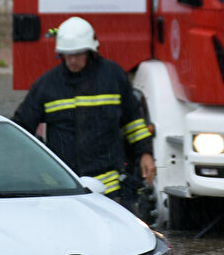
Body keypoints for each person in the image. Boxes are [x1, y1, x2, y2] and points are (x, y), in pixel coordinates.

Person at [13, 16, 156, 206]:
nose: (72, 60)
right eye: (67, 54)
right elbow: (21, 128)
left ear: (91, 51)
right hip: (63, 187)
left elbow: (133, 121)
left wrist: (145, 153)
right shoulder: (47, 85)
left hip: (109, 189)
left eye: (78, 54)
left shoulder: (112, 77)